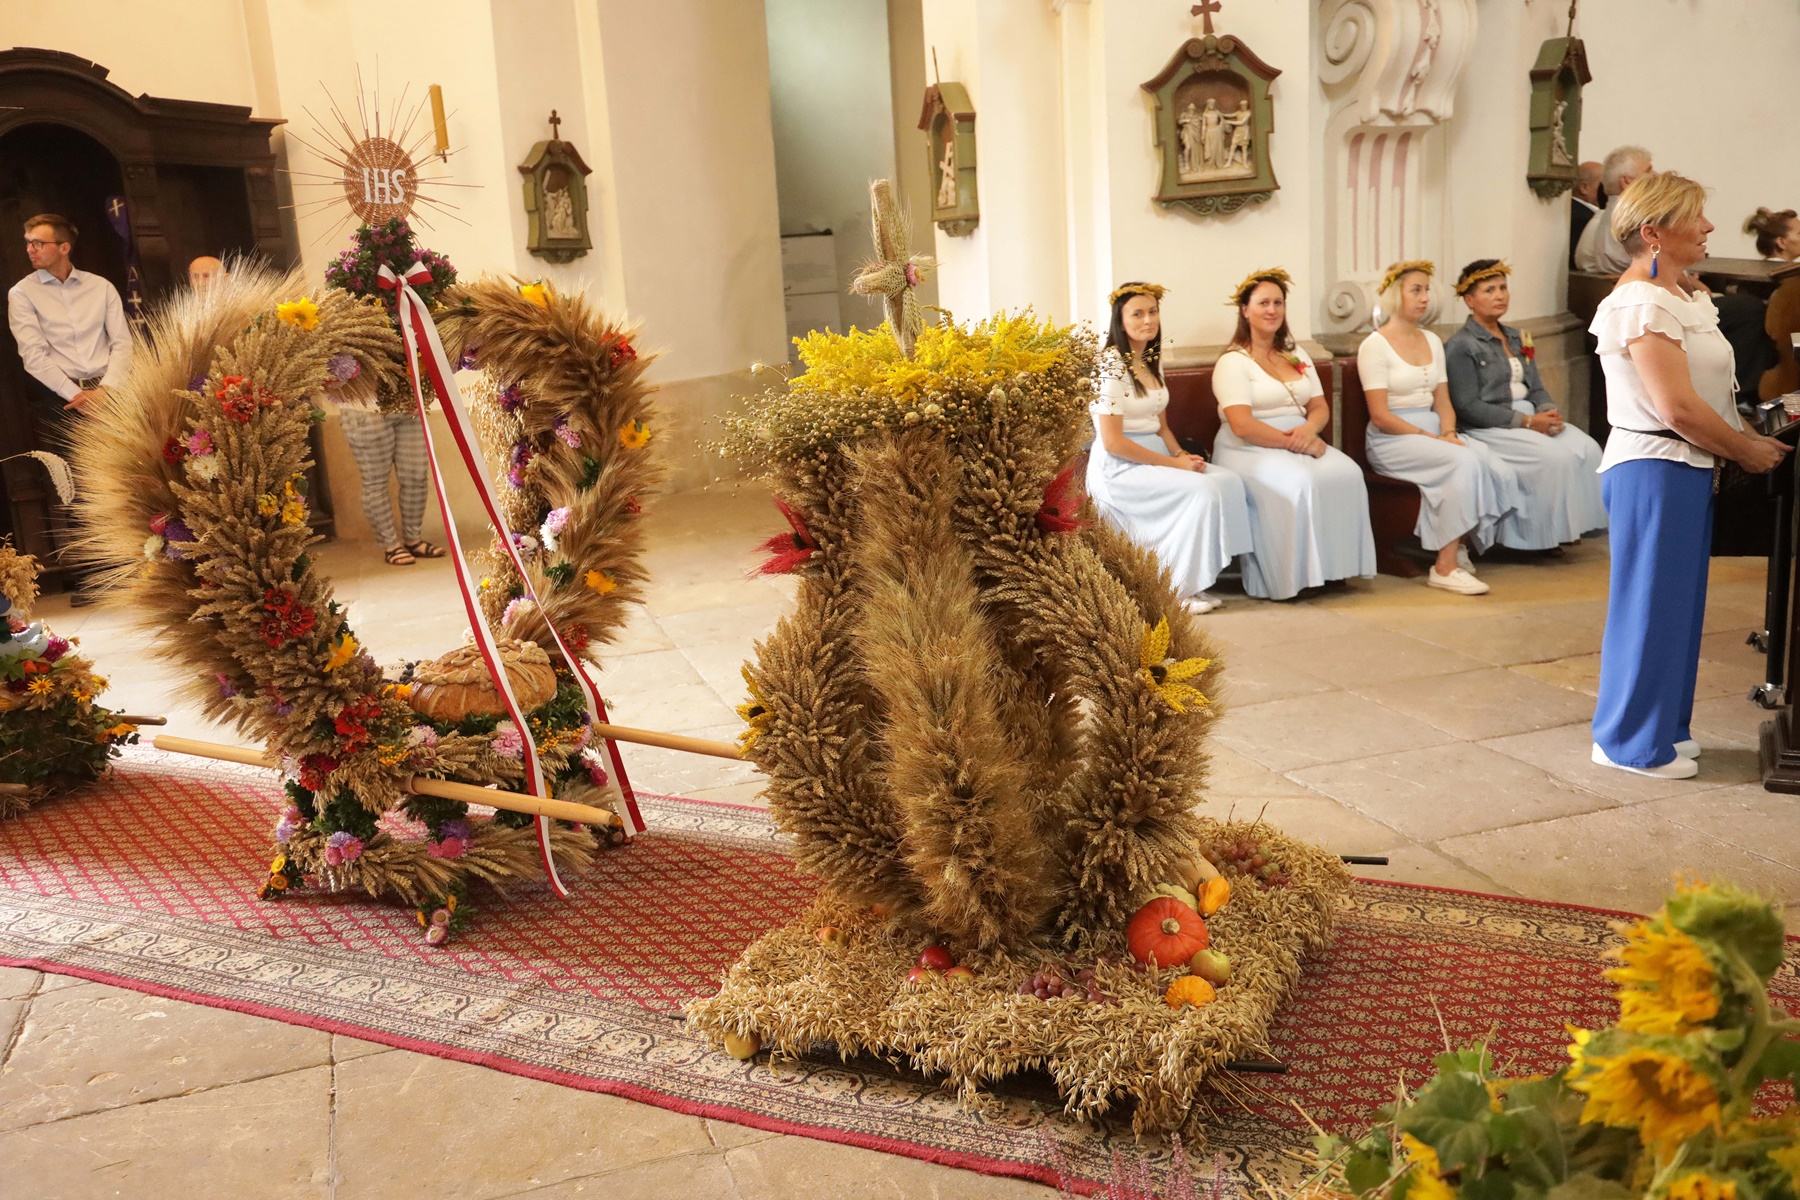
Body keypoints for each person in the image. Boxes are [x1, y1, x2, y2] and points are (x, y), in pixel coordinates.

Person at [1588, 172, 1790, 779]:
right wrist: (1745, 451)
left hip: (1683, 464)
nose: (1708, 227)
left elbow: (1710, 391)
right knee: (1647, 608)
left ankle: (1664, 728)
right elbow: (1674, 407)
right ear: (1653, 232)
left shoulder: (1677, 294)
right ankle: (1627, 742)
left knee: (1676, 607)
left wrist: (1745, 435)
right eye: (1695, 217)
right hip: (1654, 466)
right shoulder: (1640, 304)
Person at [1209, 268, 1375, 600]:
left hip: (1301, 439)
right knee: (1301, 483)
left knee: (1348, 472)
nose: (1272, 310)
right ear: (1245, 310)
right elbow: (1241, 424)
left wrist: (1310, 430)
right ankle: (1293, 578)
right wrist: (1294, 443)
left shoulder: (1296, 354)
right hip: (1248, 448)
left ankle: (1333, 571)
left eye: (1278, 303)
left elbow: (1319, 406)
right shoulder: (1232, 362)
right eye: (1263, 303)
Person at [1088, 281, 1252, 614]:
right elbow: (1113, 442)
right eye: (1138, 313)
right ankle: (1177, 589)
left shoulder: (1149, 360)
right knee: (1201, 492)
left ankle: (1211, 576)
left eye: (1152, 312)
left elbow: (1161, 426)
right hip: (1119, 469)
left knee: (1228, 481)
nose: (1148, 320)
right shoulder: (1109, 366)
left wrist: (1179, 454)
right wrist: (1174, 466)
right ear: (1120, 321)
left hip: (1158, 458)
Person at [1356, 261, 1511, 596]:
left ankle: (1457, 547)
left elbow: (1443, 400)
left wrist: (1450, 433)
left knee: (1482, 457)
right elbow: (1380, 415)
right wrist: (1432, 439)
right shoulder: (1375, 345)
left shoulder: (1431, 340)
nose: (1425, 297)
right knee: (1462, 461)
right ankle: (1444, 566)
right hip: (1392, 438)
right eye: (1416, 290)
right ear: (1396, 294)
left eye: (1427, 290)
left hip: (1432, 433)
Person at [1445, 259, 1607, 550]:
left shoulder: (1517, 337)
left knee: (1588, 449)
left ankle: (1573, 529)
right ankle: (1537, 538)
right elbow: (1467, 406)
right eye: (1489, 290)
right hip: (1493, 425)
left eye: (1503, 288)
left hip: (1532, 418)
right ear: (1469, 300)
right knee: (1556, 459)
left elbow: (1537, 386)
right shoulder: (1461, 346)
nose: (1499, 295)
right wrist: (1528, 423)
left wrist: (1546, 409)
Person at [7, 213, 132, 430]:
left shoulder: (100, 287)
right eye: (28, 243)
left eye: (38, 243)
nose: (30, 249)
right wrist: (77, 395)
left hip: (110, 393)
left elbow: (123, 343)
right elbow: (33, 356)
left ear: (64, 248)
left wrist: (106, 391)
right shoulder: (21, 293)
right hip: (60, 398)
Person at [338, 406, 445, 566]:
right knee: (375, 481)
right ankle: (391, 546)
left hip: (407, 404)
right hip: (365, 408)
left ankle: (413, 541)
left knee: (416, 476)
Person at [1575, 145, 1653, 274]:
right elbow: (1658, 266)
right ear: (1627, 181)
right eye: (1648, 172)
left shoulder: (1607, 215)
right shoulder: (1631, 219)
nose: (1656, 177)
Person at [1570, 160, 1604, 267]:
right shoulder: (1584, 219)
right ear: (1584, 188)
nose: (1607, 189)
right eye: (1604, 184)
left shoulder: (1569, 209)